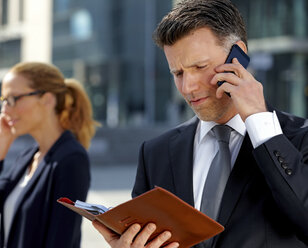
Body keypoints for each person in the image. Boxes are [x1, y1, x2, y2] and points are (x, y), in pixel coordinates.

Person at [93, 0, 308, 247]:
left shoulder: (299, 139)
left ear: (237, 55)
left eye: (200, 66)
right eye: (178, 73)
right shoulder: (155, 154)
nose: (188, 87)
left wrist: (260, 122)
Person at [0, 62, 99, 248]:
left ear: (47, 100)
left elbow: (61, 242)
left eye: (13, 98)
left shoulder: (70, 159)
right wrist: (0, 145)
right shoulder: (27, 157)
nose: (4, 110)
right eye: (3, 100)